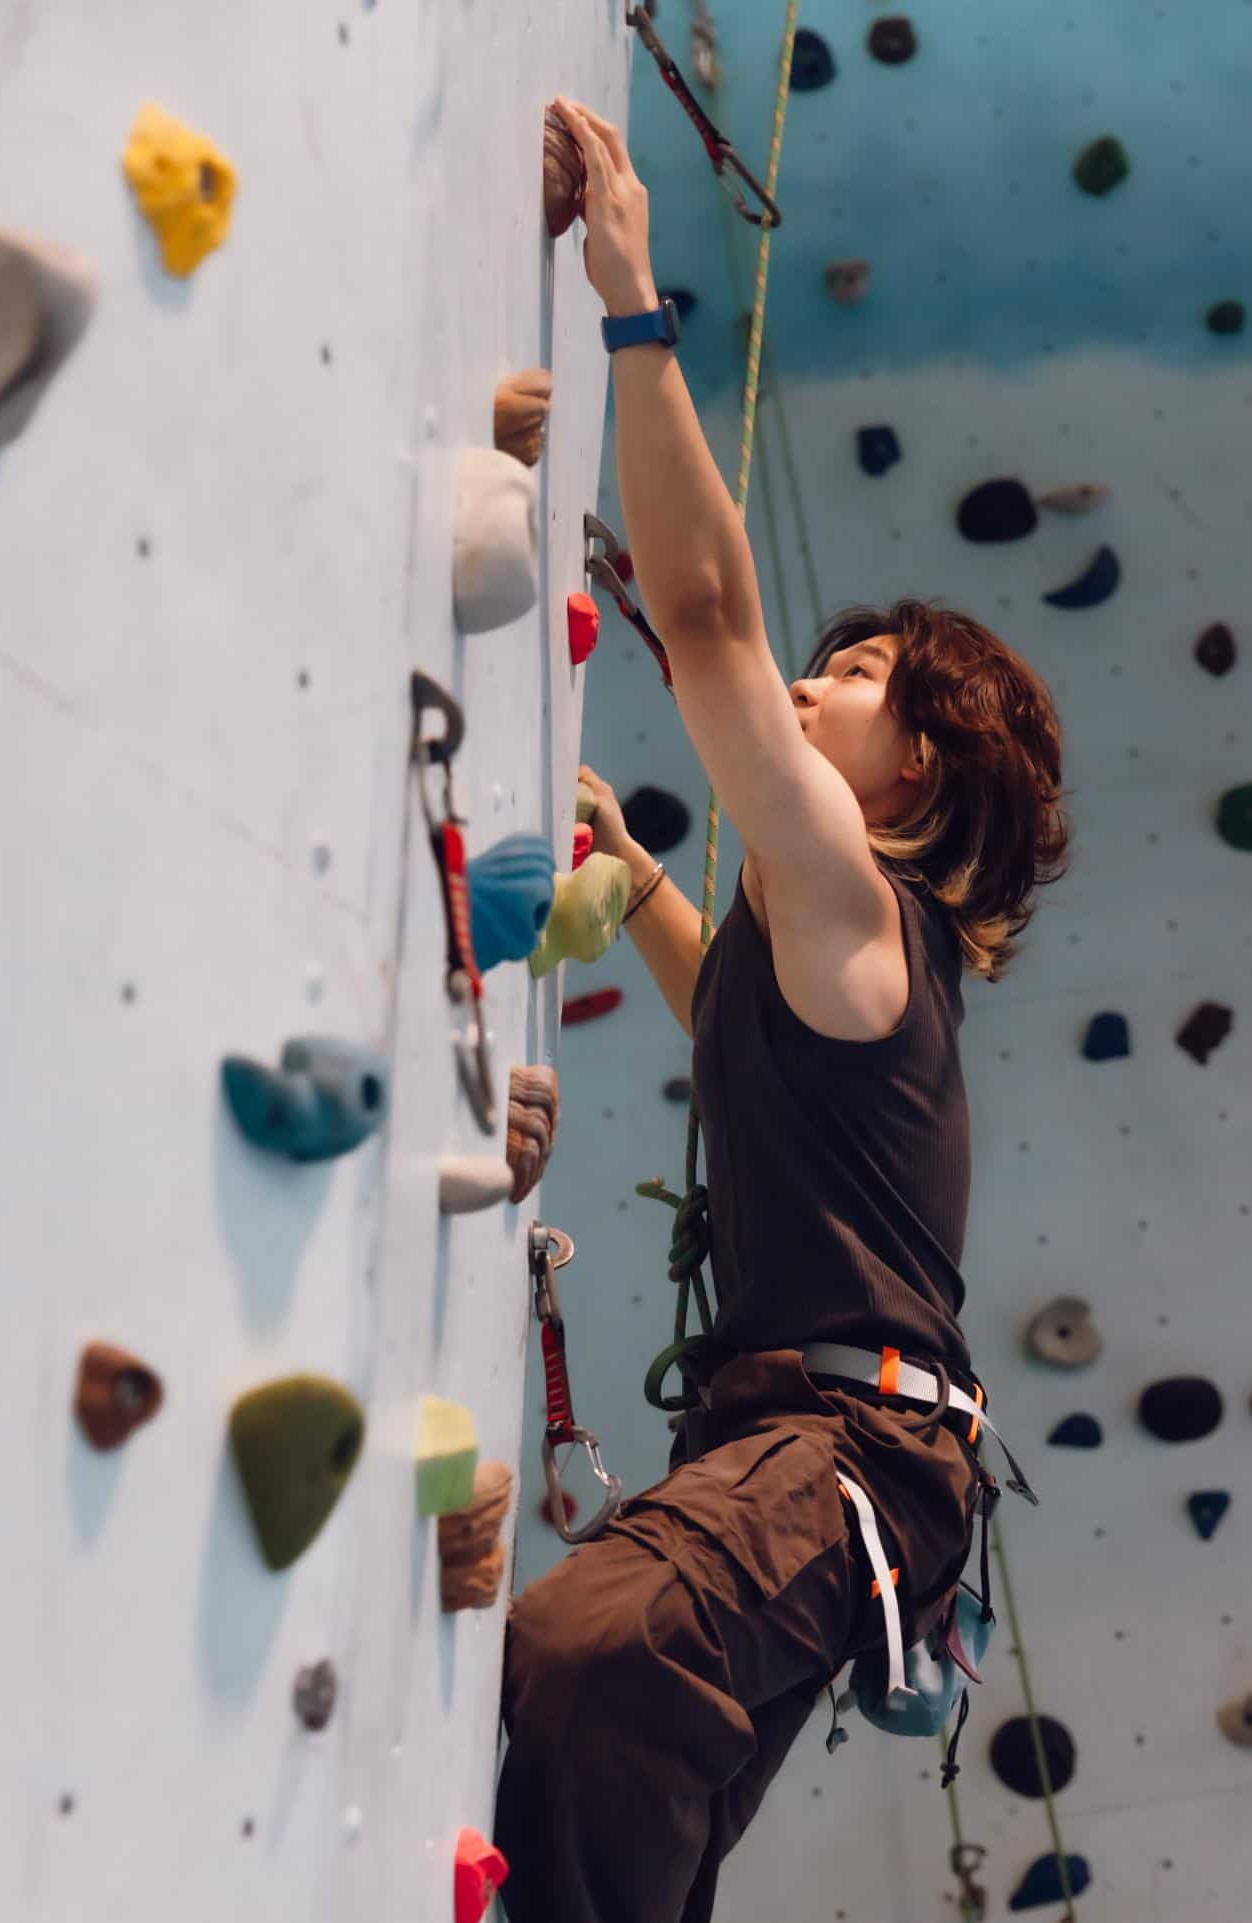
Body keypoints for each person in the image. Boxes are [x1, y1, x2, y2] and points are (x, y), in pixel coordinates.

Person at [493, 98, 1070, 1923]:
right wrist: (642, 876)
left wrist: (632, 297)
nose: (811, 685)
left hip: (843, 1453)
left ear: (914, 774)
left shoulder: (859, 901)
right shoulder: (822, 956)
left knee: (585, 1666)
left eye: (861, 677)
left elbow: (712, 618)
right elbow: (722, 1028)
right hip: (802, 1452)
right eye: (826, 665)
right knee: (602, 1763)